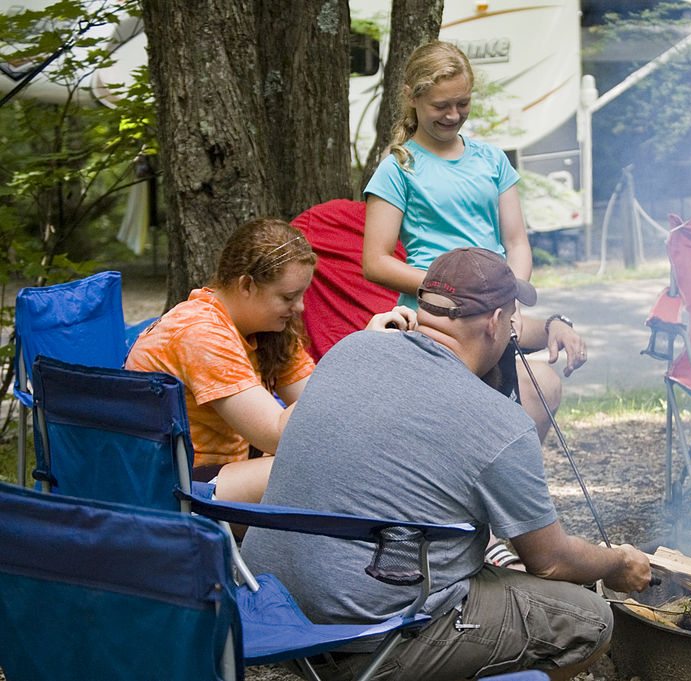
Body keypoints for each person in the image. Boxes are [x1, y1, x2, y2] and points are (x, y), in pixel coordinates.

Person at [241, 247, 651, 681]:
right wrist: (617, 562)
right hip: (371, 640)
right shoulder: (497, 421)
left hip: (273, 612)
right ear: (495, 322)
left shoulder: (351, 349)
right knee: (589, 620)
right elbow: (549, 562)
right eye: (512, 317)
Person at [361, 40, 585, 441]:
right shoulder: (398, 168)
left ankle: (512, 492)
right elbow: (375, 262)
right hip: (434, 314)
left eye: (462, 103)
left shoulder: (491, 160)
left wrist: (507, 291)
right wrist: (453, 291)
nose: (453, 115)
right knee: (458, 420)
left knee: (544, 386)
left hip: (494, 311)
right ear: (412, 98)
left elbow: (516, 242)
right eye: (441, 106)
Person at [125, 217, 415, 503]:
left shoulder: (266, 330)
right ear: (247, 285)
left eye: (302, 295)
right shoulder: (201, 332)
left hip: (227, 470)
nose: (300, 307)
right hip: (175, 483)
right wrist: (359, 354)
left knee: (356, 453)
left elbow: (326, 414)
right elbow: (275, 434)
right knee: (330, 468)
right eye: (288, 297)